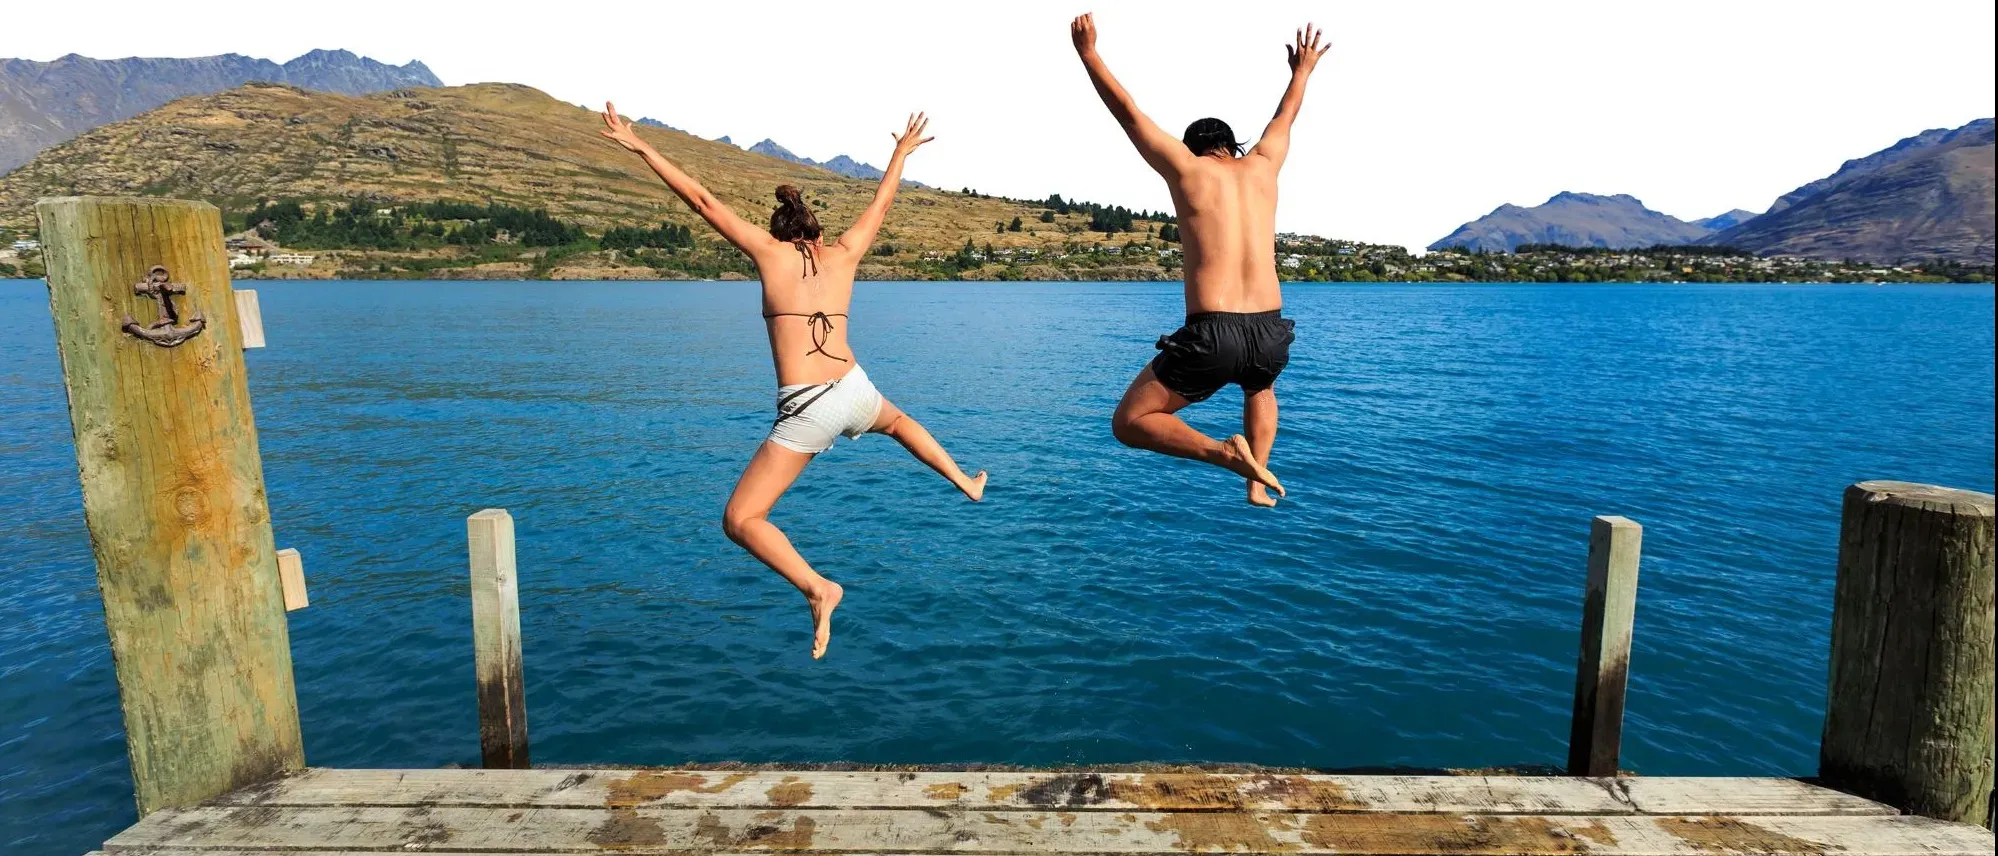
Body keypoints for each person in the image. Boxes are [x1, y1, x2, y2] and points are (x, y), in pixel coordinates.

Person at [599, 105, 986, 659]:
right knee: (897, 422)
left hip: (808, 407)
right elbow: (881, 205)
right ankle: (964, 481)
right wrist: (899, 153)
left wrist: (641, 147)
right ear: (819, 231)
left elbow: (703, 201)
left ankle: (818, 587)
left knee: (741, 518)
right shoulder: (845, 253)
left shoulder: (768, 253)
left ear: (777, 232)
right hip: (854, 386)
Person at [1070, 13, 1329, 507]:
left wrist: (1090, 55)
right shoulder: (1265, 163)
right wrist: (1302, 71)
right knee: (1260, 385)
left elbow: (1129, 113)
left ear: (1193, 148)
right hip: (1271, 331)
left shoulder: (1186, 170)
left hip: (1215, 331)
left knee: (1130, 422)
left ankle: (1227, 457)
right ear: (1232, 147)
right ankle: (1258, 477)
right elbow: (1285, 117)